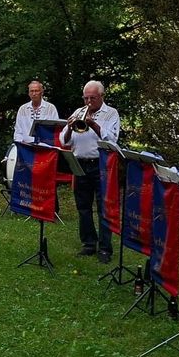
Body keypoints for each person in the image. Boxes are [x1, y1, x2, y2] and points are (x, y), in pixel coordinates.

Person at [62, 80, 121, 263]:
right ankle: (88, 244)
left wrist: (93, 124)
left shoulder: (111, 113)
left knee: (104, 208)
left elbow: (112, 140)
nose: (88, 102)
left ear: (102, 96)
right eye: (86, 97)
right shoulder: (78, 112)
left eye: (92, 98)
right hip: (80, 163)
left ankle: (105, 249)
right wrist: (71, 129)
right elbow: (64, 141)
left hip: (101, 164)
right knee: (83, 207)